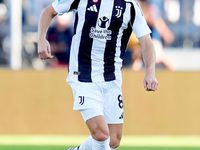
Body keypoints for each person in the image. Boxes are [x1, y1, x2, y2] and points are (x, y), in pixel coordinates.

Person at [37, 0, 158, 150]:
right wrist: (42, 38)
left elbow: (146, 42)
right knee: (101, 134)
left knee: (113, 141)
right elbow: (48, 11)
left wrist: (150, 73)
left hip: (111, 79)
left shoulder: (131, 5)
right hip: (83, 75)